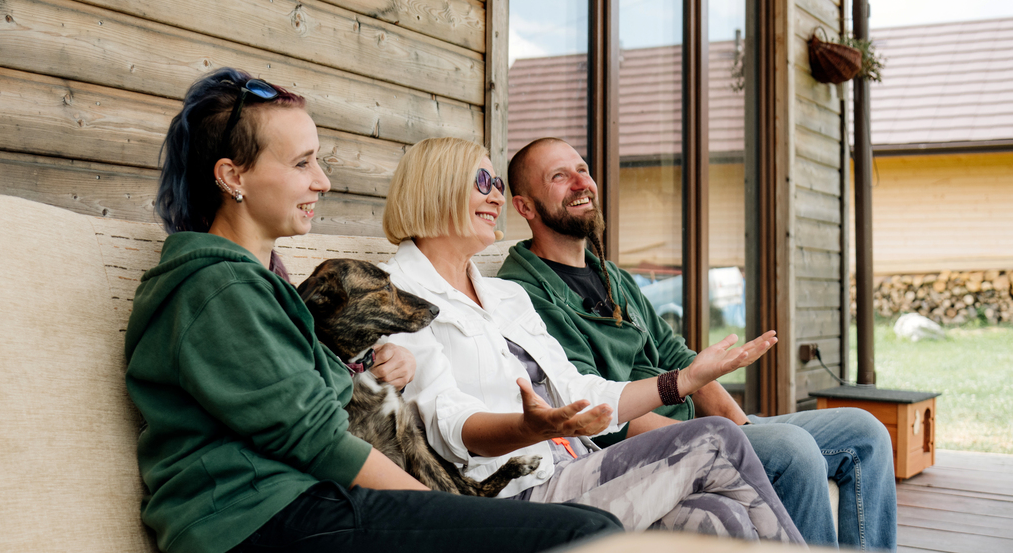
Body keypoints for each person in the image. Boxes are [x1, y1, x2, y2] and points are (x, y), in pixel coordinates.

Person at [122, 70, 627, 553]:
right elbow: (319, 440)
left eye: (317, 161)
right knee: (590, 534)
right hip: (253, 521)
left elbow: (313, 399)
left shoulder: (257, 282)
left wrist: (379, 371)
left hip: (303, 503)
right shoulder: (216, 287)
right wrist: (448, 513)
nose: (322, 181)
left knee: (595, 528)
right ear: (234, 176)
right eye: (302, 164)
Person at [379, 137, 804, 542]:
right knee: (716, 437)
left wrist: (685, 380)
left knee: (718, 516)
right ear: (437, 189)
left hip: (576, 463)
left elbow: (579, 388)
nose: (496, 198)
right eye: (483, 183)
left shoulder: (505, 296)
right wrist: (530, 428)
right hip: (513, 496)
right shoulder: (394, 296)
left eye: (498, 185)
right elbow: (450, 425)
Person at [497, 137, 898, 550]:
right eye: (559, 176)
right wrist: (709, 438)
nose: (581, 183)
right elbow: (600, 416)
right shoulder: (524, 293)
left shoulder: (610, 275)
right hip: (654, 442)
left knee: (867, 433)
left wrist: (740, 428)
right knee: (792, 450)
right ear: (525, 207)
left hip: (703, 427)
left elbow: (679, 358)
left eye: (582, 169)